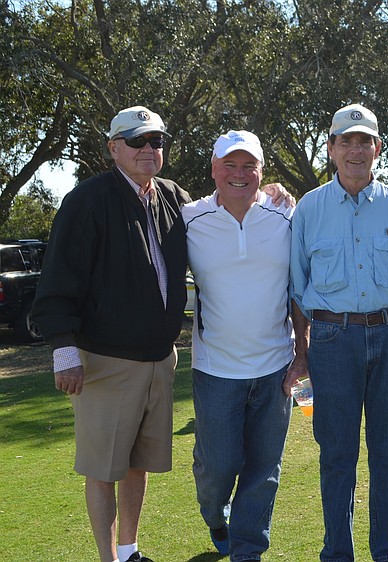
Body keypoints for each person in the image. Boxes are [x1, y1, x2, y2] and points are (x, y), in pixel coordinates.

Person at [32, 106, 191, 562]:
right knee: (103, 468)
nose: (148, 149)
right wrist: (63, 346)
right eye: (137, 140)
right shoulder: (86, 200)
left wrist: (269, 196)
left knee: (137, 465)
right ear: (113, 147)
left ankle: (128, 551)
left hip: (160, 359)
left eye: (156, 141)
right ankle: (107, 558)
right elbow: (59, 277)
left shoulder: (172, 197)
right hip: (104, 361)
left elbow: (220, 210)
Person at [286, 103, 388, 562]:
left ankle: (386, 552)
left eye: (364, 141)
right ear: (331, 149)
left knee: (387, 455)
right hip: (332, 344)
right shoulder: (309, 208)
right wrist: (302, 353)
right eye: (345, 141)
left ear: (378, 148)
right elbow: (296, 288)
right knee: (337, 457)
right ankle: (337, 553)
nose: (355, 150)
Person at [181, 130, 295, 561]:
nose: (239, 174)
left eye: (249, 165)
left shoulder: (286, 214)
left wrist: (301, 354)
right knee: (217, 469)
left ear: (262, 171)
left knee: (264, 471)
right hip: (215, 371)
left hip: (275, 367)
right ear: (213, 169)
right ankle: (214, 514)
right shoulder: (189, 218)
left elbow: (301, 287)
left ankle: (248, 549)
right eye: (229, 164)